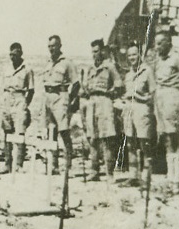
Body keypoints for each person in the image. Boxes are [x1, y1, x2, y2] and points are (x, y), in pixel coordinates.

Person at [152, 29, 179, 194]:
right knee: (167, 139)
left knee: (175, 139)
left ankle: (176, 180)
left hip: (173, 98)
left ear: (168, 42)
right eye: (156, 43)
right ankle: (170, 176)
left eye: (160, 43)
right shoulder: (159, 59)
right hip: (160, 99)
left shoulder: (178, 58)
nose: (157, 46)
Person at [82, 38, 124, 180]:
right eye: (93, 52)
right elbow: (86, 86)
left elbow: (119, 85)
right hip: (92, 102)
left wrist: (110, 93)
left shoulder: (109, 67)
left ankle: (109, 172)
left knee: (107, 138)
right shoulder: (90, 69)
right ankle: (94, 170)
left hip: (105, 102)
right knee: (92, 138)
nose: (94, 54)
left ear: (102, 51)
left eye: (97, 51)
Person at [39, 35, 80, 174]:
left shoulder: (67, 63)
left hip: (61, 97)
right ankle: (53, 164)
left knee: (64, 131)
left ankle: (68, 164)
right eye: (49, 46)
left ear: (60, 46)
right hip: (48, 98)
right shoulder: (48, 63)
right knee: (51, 131)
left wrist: (69, 100)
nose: (51, 49)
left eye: (54, 46)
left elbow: (76, 84)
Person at [121, 43, 156, 185]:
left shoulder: (147, 71)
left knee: (144, 143)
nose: (132, 58)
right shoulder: (128, 74)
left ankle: (146, 177)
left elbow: (153, 93)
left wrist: (143, 98)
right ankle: (133, 176)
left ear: (140, 55)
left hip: (142, 109)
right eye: (129, 55)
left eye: (134, 54)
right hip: (129, 109)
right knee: (130, 143)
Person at [0, 42, 34, 173]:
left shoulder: (27, 69)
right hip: (7, 100)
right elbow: (3, 87)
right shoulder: (6, 68)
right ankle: (7, 163)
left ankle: (19, 164)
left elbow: (31, 90)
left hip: (20, 100)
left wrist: (25, 104)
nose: (13, 57)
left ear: (21, 53)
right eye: (11, 54)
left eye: (15, 54)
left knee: (20, 133)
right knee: (6, 132)